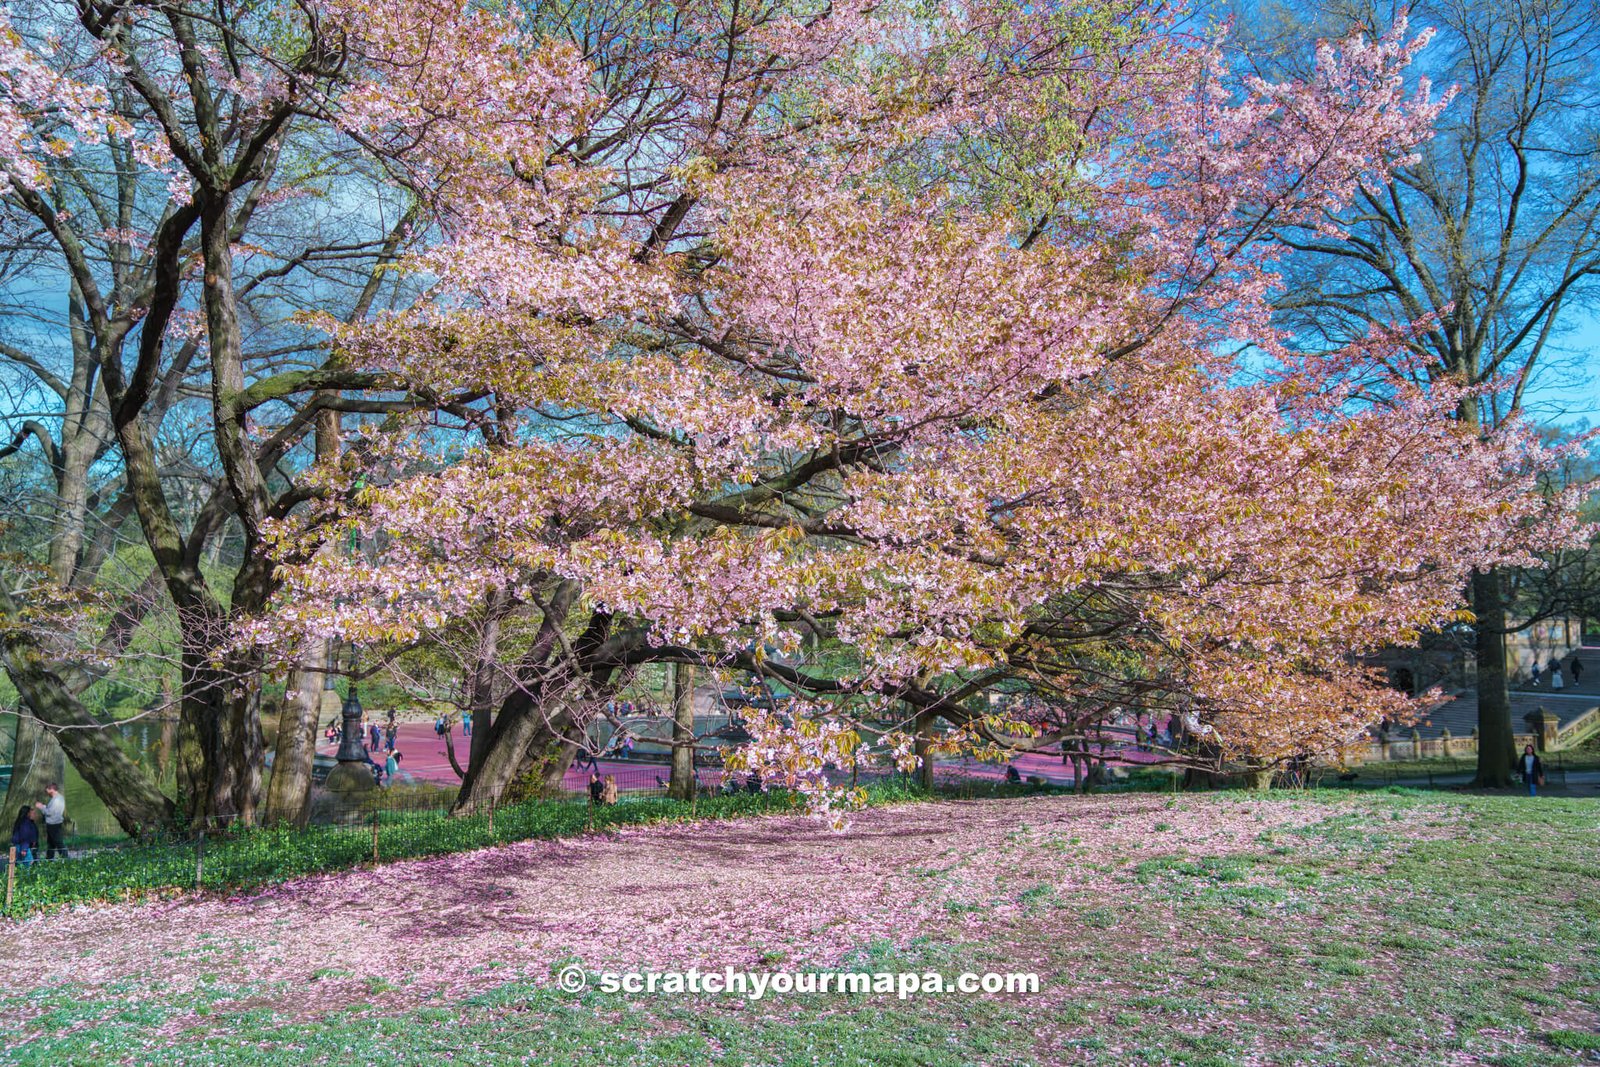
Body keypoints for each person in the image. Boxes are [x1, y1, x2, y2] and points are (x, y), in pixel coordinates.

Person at [34, 782, 66, 859]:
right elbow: (51, 809)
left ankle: (66, 858)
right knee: (51, 843)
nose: (46, 792)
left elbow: (50, 812)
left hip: (54, 824)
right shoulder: (57, 798)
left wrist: (41, 807)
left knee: (58, 842)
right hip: (53, 824)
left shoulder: (57, 800)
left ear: (52, 789)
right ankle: (49, 859)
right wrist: (44, 806)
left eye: (47, 790)